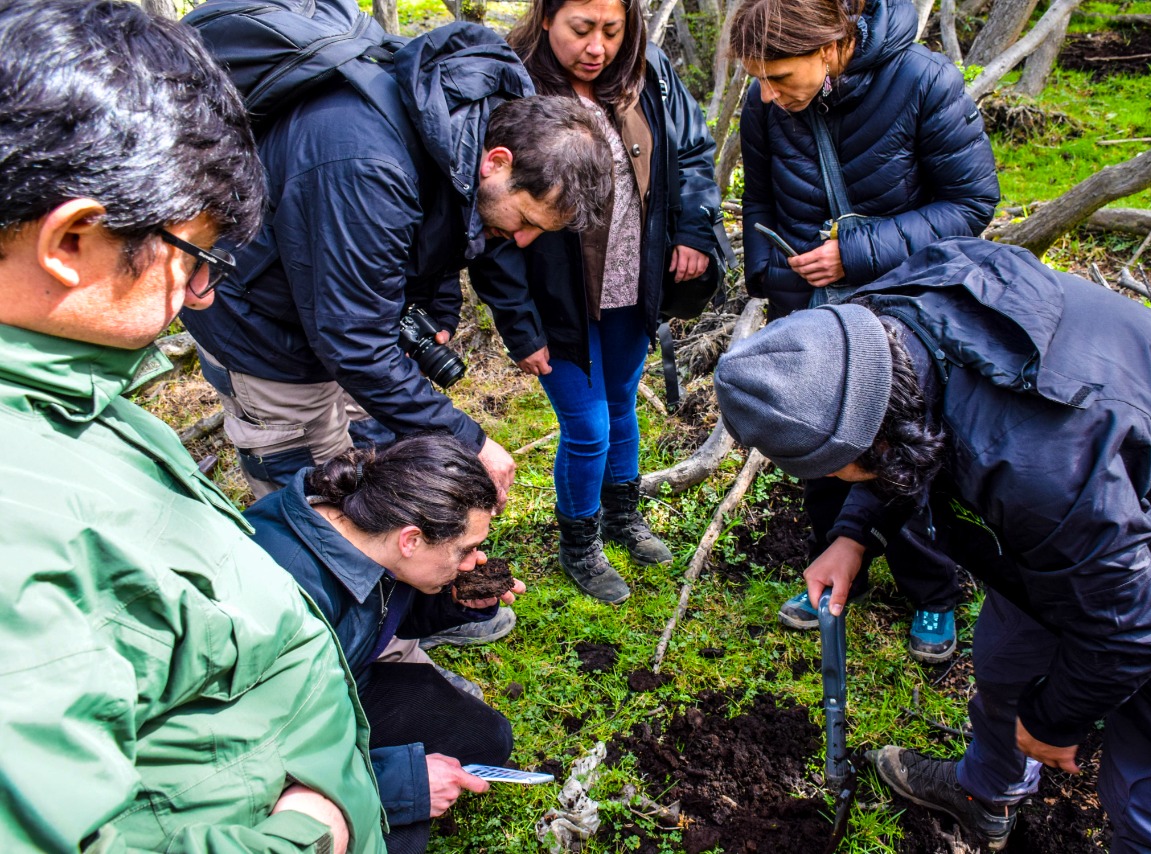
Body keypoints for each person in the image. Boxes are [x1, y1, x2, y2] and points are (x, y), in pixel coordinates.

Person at [713, 237, 1151, 852]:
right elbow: (901, 435)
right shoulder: (891, 323)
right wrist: (855, 533)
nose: (828, 481)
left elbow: (1132, 632)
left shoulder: (1036, 472)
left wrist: (1051, 721)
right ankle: (984, 795)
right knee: (1008, 658)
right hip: (1092, 522)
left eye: (832, 467)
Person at [0, 1, 384, 850]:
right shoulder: (16, 527)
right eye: (196, 257)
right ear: (73, 238)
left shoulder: (70, 403)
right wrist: (301, 836)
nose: (202, 296)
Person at [181, 22, 615, 511]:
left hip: (338, 320)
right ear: (498, 160)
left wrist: (439, 311)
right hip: (260, 327)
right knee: (315, 495)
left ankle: (383, 572)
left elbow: (449, 222)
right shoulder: (367, 165)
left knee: (374, 461)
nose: (522, 239)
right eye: (527, 220)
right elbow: (355, 342)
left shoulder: (463, 129)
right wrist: (470, 440)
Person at [725, 0, 1000, 660]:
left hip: (906, 314)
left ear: (830, 48)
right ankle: (832, 565)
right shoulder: (765, 102)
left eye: (780, 77)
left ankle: (932, 591)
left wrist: (860, 252)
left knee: (908, 455)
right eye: (756, 79)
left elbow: (971, 204)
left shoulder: (925, 83)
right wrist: (770, 274)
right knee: (820, 448)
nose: (766, 94)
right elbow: (759, 196)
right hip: (814, 313)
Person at [481, 0, 725, 604]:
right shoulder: (509, 85)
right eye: (581, 30)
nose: (598, 47)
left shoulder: (651, 73)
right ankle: (580, 544)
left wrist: (694, 228)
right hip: (557, 301)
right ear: (546, 20)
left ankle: (623, 514)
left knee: (621, 404)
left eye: (612, 31)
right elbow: (487, 226)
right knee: (586, 426)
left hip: (631, 284)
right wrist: (519, 323)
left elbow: (691, 153)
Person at [245, 434, 520, 854]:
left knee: (487, 738)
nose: (473, 562)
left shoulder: (372, 530)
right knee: (402, 836)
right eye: (464, 550)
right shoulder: (285, 597)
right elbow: (255, 756)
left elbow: (383, 614)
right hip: (275, 741)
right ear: (411, 540)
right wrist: (400, 781)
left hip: (342, 690)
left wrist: (456, 602)